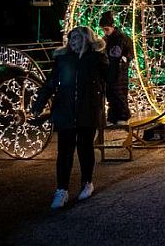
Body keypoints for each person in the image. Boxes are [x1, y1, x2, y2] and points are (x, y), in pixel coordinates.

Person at [31, 26, 109, 209]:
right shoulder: (63, 59)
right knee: (64, 152)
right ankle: (62, 190)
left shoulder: (96, 59)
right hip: (65, 111)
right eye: (71, 38)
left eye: (77, 38)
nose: (73, 42)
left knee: (85, 148)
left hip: (87, 111)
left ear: (86, 39)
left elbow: (110, 81)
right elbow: (51, 83)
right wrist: (39, 104)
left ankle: (87, 182)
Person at [99, 11, 134, 127]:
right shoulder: (106, 39)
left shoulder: (122, 38)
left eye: (106, 29)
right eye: (103, 29)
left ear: (112, 27)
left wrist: (124, 59)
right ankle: (113, 117)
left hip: (119, 70)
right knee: (111, 93)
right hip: (109, 68)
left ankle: (123, 116)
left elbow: (129, 52)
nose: (105, 32)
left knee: (119, 92)